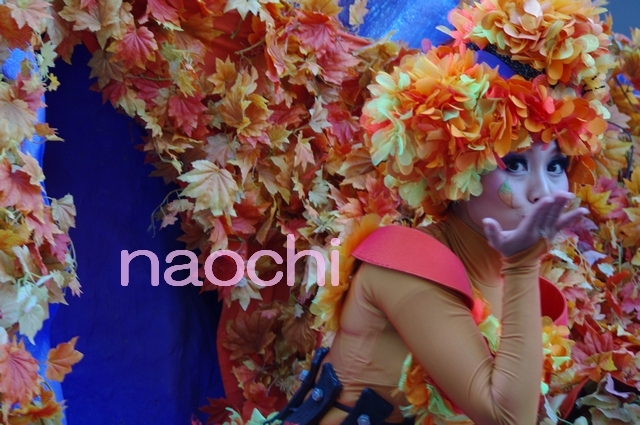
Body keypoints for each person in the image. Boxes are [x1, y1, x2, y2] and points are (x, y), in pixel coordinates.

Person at [272, 1, 615, 424]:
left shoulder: (524, 287)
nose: (544, 192)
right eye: (516, 163)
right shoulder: (404, 262)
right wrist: (523, 267)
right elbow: (508, 418)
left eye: (557, 165)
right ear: (458, 166)